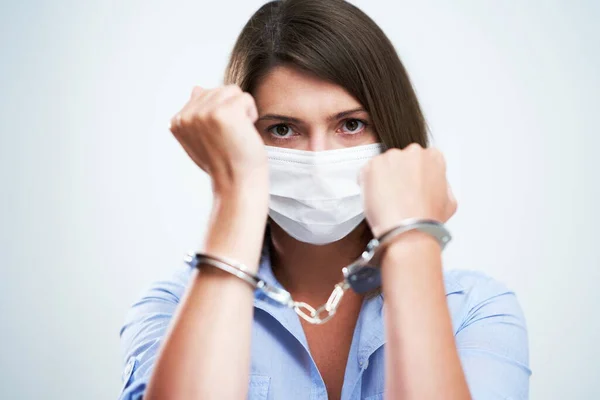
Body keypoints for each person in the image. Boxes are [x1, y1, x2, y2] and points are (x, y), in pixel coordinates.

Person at [118, 0, 531, 399]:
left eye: (351, 124)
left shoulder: (476, 311)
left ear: (390, 129)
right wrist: (235, 189)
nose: (319, 159)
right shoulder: (172, 310)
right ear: (245, 138)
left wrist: (411, 240)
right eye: (282, 130)